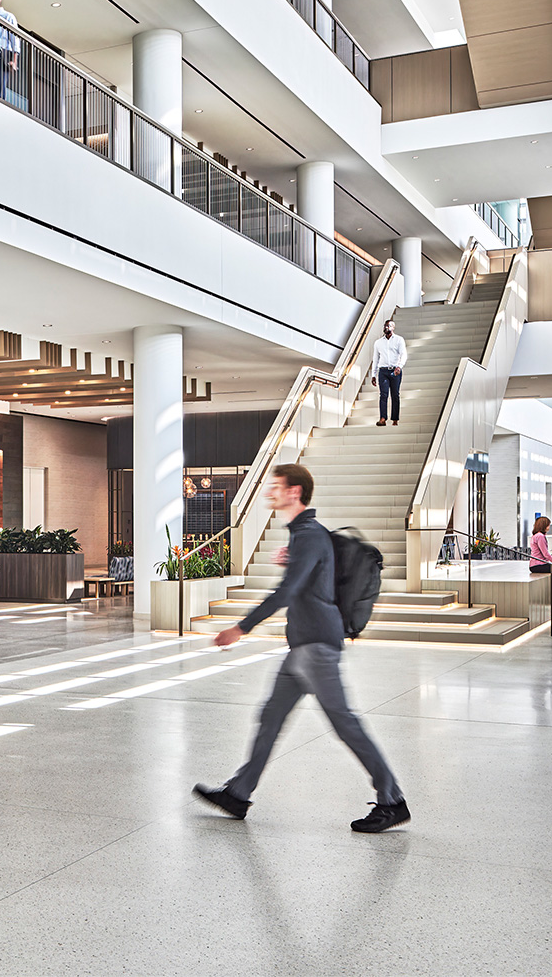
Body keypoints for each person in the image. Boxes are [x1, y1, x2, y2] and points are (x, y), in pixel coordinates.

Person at [193, 464, 410, 834]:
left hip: (316, 648)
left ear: (295, 492)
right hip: (303, 648)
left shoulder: (308, 535)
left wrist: (241, 628)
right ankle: (238, 793)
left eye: (276, 486)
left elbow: (287, 591)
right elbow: (311, 579)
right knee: (270, 717)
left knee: (345, 723)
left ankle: (392, 800)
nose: (270, 492)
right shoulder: (306, 534)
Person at [371, 318, 406, 426]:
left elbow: (403, 354)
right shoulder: (378, 343)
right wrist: (373, 375)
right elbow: (375, 359)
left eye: (389, 326)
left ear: (393, 327)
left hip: (395, 371)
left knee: (395, 395)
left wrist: (399, 367)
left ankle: (395, 419)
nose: (386, 327)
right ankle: (382, 418)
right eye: (385, 326)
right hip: (383, 371)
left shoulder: (399, 340)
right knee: (383, 395)